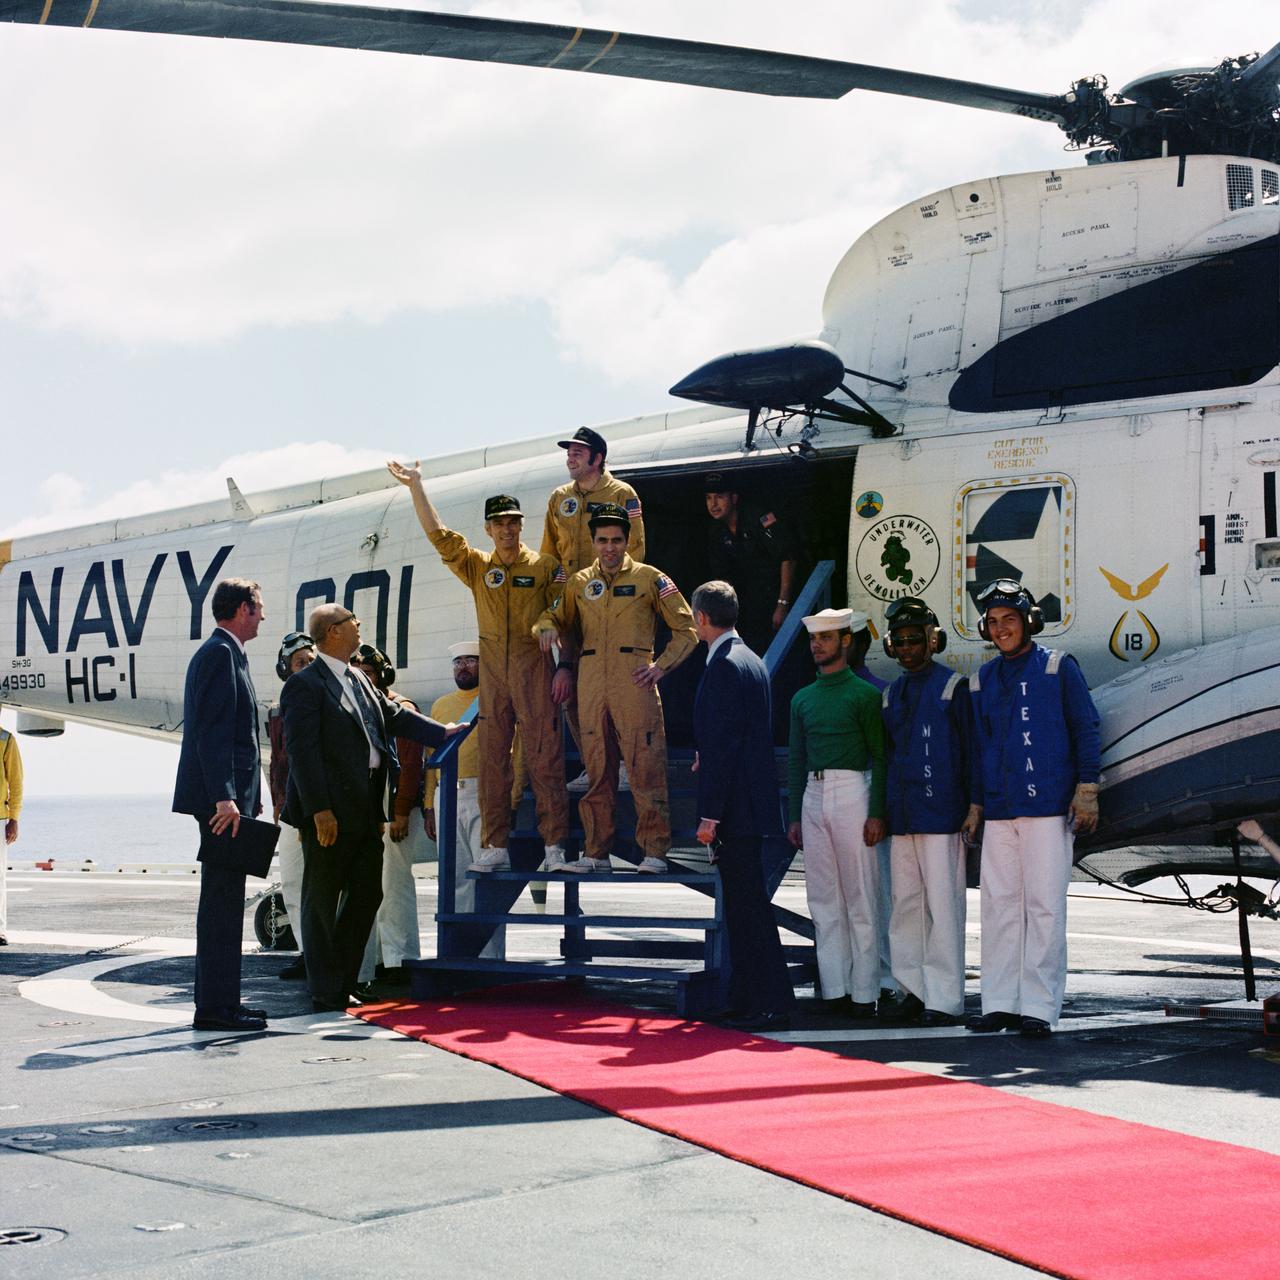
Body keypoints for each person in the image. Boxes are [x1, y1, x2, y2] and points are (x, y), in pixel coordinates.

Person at [388, 462, 569, 874]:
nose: (507, 529)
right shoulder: (479, 567)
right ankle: (495, 845)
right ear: (488, 529)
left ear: (522, 526)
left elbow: (565, 601)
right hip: (495, 676)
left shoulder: (543, 566)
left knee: (544, 759)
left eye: (513, 522)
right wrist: (417, 486)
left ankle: (555, 846)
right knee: (492, 761)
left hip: (532, 669)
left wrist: (548, 621)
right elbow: (440, 538)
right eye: (499, 523)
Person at [280, 603, 456, 1013]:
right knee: (321, 901)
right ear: (333, 632)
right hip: (330, 814)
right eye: (351, 622)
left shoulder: (358, 677)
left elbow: (393, 715)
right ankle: (324, 987)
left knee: (367, 893)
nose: (358, 627)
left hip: (365, 809)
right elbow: (303, 754)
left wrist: (443, 732)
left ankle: (342, 979)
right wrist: (320, 810)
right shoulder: (304, 685)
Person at [963, 579, 1100, 1039]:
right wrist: (977, 804)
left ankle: (1038, 1007)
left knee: (1043, 907)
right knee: (999, 907)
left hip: (1047, 809)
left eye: (1010, 620)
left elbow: (1086, 727)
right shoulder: (982, 679)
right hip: (1001, 810)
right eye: (994, 623)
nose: (1001, 629)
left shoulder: (1059, 667)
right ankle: (1000, 1003)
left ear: (1028, 621)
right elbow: (980, 747)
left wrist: (1088, 788)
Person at [535, 502, 698, 874]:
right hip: (591, 682)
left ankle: (654, 852)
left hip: (634, 681)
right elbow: (554, 615)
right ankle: (596, 854)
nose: (609, 547)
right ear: (593, 542)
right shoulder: (578, 583)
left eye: (616, 540)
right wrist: (545, 627)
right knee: (597, 771)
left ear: (627, 541)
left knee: (644, 768)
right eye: (603, 540)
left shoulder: (649, 578)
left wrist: (661, 667)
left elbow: (687, 630)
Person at [691, 580, 794, 1031]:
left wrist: (710, 815)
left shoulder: (724, 667)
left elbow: (725, 745)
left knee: (748, 910)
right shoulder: (750, 660)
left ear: (701, 618)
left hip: (736, 810)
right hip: (752, 804)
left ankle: (771, 1000)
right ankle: (750, 997)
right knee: (743, 908)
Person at [171, 578, 269, 1033]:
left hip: (229, 800)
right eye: (259, 607)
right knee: (222, 905)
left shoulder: (228, 654)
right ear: (243, 608)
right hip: (220, 803)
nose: (263, 616)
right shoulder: (218, 655)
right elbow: (212, 735)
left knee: (226, 904)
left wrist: (247, 794)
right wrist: (225, 797)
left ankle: (224, 1004)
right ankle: (215, 1008)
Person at [787, 607, 887, 1017]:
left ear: (846, 641)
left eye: (826, 638)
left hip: (852, 789)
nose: (818, 645)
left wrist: (877, 811)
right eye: (814, 639)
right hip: (814, 792)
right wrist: (794, 814)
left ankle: (866, 992)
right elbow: (796, 759)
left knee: (860, 895)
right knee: (823, 898)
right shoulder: (802, 698)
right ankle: (834, 990)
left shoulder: (864, 695)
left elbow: (881, 757)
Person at [880, 599, 973, 1026]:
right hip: (903, 819)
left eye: (914, 638)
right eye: (898, 641)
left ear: (933, 640)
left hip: (941, 816)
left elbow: (973, 753)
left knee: (943, 907)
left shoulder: (955, 688)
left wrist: (975, 806)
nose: (906, 647)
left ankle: (945, 998)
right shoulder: (891, 694)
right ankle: (911, 990)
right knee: (906, 907)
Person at [423, 640, 509, 960]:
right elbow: (431, 756)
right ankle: (457, 954)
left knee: (487, 879)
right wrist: (428, 804)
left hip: (483, 791)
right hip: (447, 792)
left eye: (470, 661)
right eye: (458, 662)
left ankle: (490, 958)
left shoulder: (496, 699)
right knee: (455, 878)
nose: (463, 667)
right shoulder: (441, 705)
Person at [351, 643, 429, 988]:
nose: (363, 680)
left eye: (368, 673)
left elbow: (411, 764)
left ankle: (400, 958)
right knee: (373, 886)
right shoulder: (361, 707)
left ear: (382, 675)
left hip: (395, 813)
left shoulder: (400, 708)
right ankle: (382, 957)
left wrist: (399, 811)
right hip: (370, 811)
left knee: (395, 886)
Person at [847, 617, 900, 1005]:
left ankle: (879, 975)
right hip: (861, 797)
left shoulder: (881, 692)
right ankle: (874, 975)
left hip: (868, 796)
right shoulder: (884, 690)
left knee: (874, 893)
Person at [267, 630, 317, 981]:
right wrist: (276, 805)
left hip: (318, 808)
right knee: (294, 883)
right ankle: (307, 951)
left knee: (323, 884)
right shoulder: (279, 711)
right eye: (299, 663)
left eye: (310, 662)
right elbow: (278, 763)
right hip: (290, 811)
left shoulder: (327, 700)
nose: (305, 667)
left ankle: (328, 951)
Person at [704, 474, 797, 656]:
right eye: (708, 498)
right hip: (749, 604)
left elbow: (789, 557)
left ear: (734, 498)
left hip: (776, 596)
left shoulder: (758, 518)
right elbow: (722, 577)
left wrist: (782, 604)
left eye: (720, 497)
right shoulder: (716, 532)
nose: (713, 504)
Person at [542, 426, 645, 578]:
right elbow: (548, 548)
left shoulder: (622, 493)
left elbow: (635, 546)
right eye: (568, 454)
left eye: (577, 454)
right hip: (567, 591)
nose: (570, 460)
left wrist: (617, 584)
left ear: (597, 459)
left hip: (605, 589)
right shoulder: (560, 496)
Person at [0, 716, 23, 947]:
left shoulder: (5, 739)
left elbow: (16, 782)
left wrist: (14, 817)